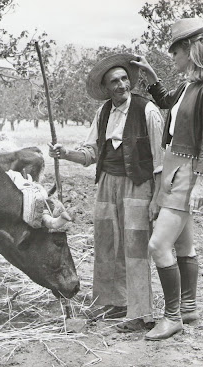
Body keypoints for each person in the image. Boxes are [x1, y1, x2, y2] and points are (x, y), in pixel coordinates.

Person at [49, 53, 164, 332]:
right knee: (107, 243)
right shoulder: (102, 113)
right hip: (106, 186)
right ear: (106, 87)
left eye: (125, 78)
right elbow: (91, 153)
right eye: (115, 81)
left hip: (138, 185)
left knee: (136, 248)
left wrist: (158, 198)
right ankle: (116, 303)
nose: (122, 85)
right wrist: (65, 154)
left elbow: (160, 162)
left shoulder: (147, 111)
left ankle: (141, 314)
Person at [131, 17, 203, 340]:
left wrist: (202, 180)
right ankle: (188, 307)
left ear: (189, 49)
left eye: (175, 51)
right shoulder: (189, 87)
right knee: (184, 244)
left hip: (186, 172)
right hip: (173, 169)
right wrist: (153, 77)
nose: (172, 57)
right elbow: (166, 104)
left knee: (158, 245)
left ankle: (171, 317)